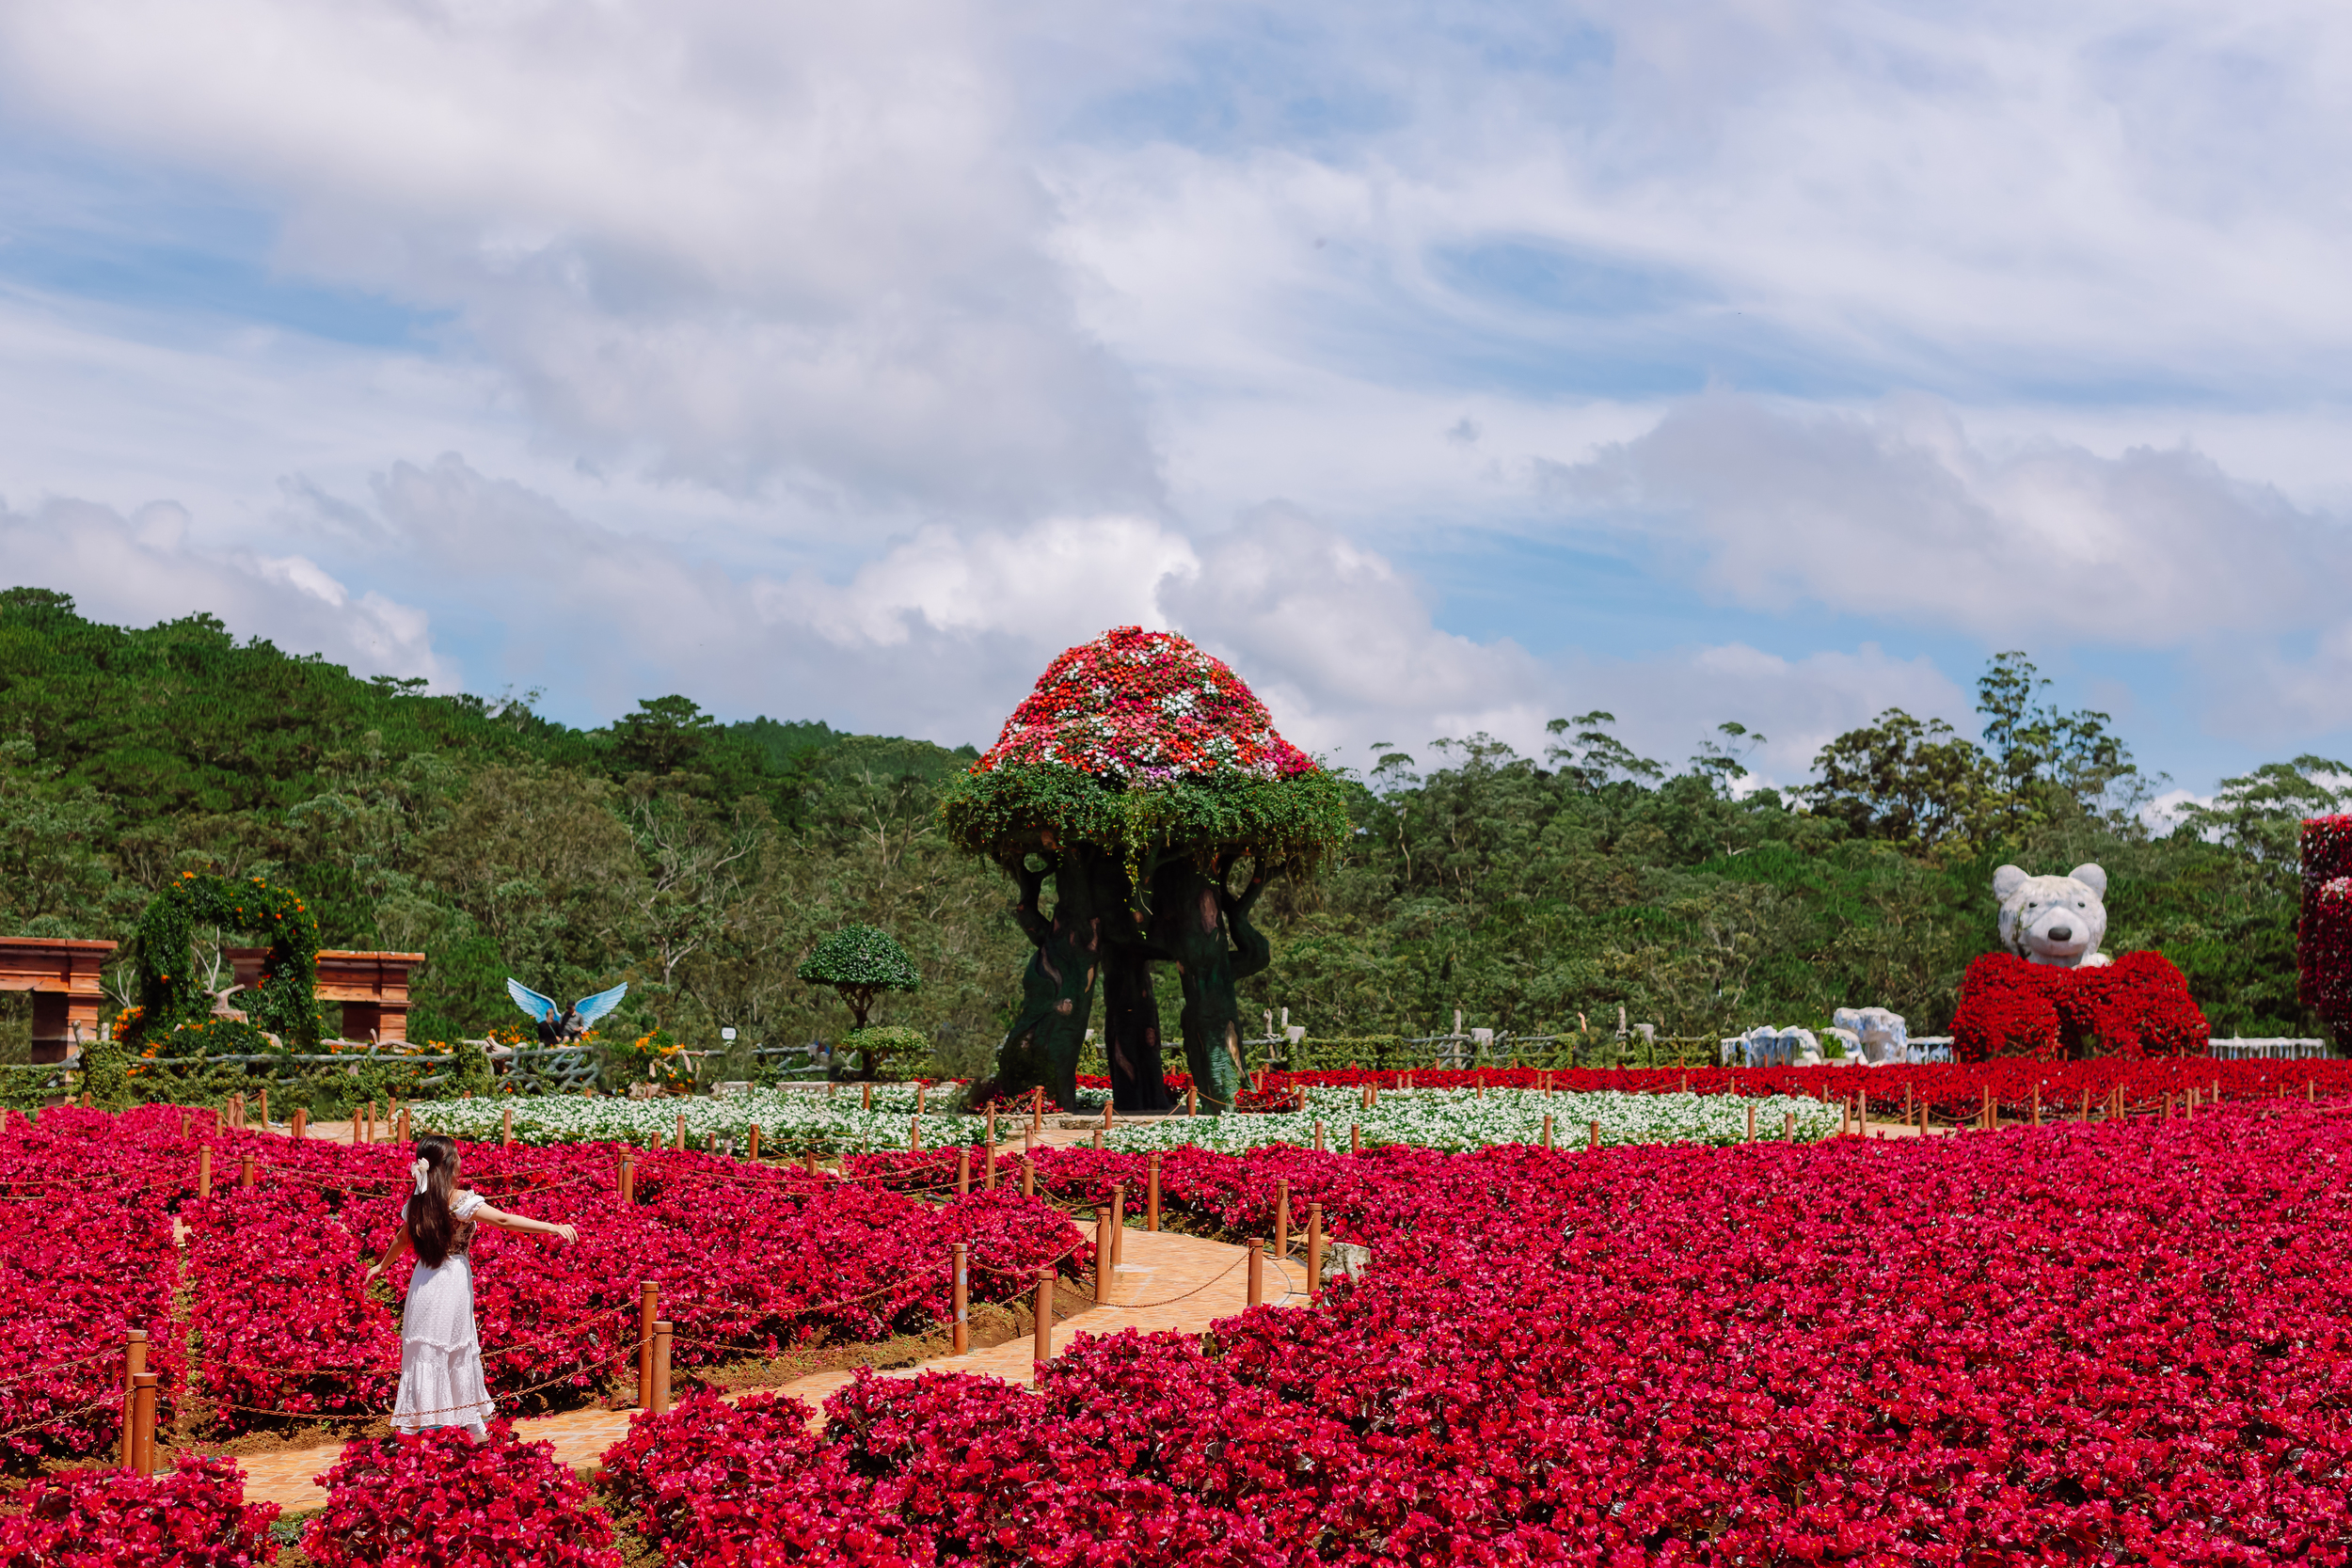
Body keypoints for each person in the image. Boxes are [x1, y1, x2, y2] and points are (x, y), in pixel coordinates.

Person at [363, 1132, 579, 1441]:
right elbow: (503, 1220)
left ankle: (415, 1429)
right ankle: (472, 1429)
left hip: (422, 1282)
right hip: (450, 1280)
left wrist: (381, 1266)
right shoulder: (458, 1200)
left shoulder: (417, 1202)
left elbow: (402, 1238)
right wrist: (551, 1227)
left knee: (425, 1351)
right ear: (449, 1164)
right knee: (456, 1348)